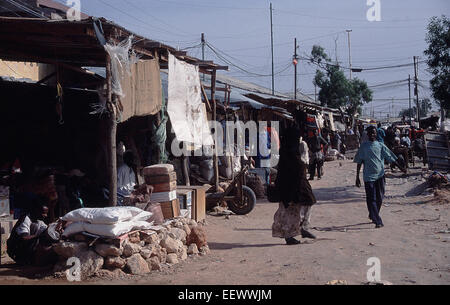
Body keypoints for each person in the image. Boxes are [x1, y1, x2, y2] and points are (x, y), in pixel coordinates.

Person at [354, 126, 407, 228]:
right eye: (371, 133)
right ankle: (378, 220)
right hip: (368, 177)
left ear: (376, 134)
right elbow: (359, 162)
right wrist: (357, 177)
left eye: (374, 133)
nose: (372, 135)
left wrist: (401, 168)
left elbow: (391, 157)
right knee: (371, 199)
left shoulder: (380, 145)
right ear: (367, 135)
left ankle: (373, 214)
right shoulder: (363, 147)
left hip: (380, 176)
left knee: (380, 198)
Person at [272, 127, 317, 245]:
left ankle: (303, 228)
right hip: (289, 186)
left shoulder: (291, 150)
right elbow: (293, 168)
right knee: (289, 211)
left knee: (308, 202)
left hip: (297, 184)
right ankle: (289, 236)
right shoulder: (288, 151)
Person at [7, 198, 57, 265]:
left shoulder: (39, 221)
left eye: (46, 213)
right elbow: (24, 238)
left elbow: (47, 229)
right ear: (35, 210)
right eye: (43, 213)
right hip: (16, 251)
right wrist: (40, 235)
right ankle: (27, 259)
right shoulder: (25, 219)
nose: (45, 216)